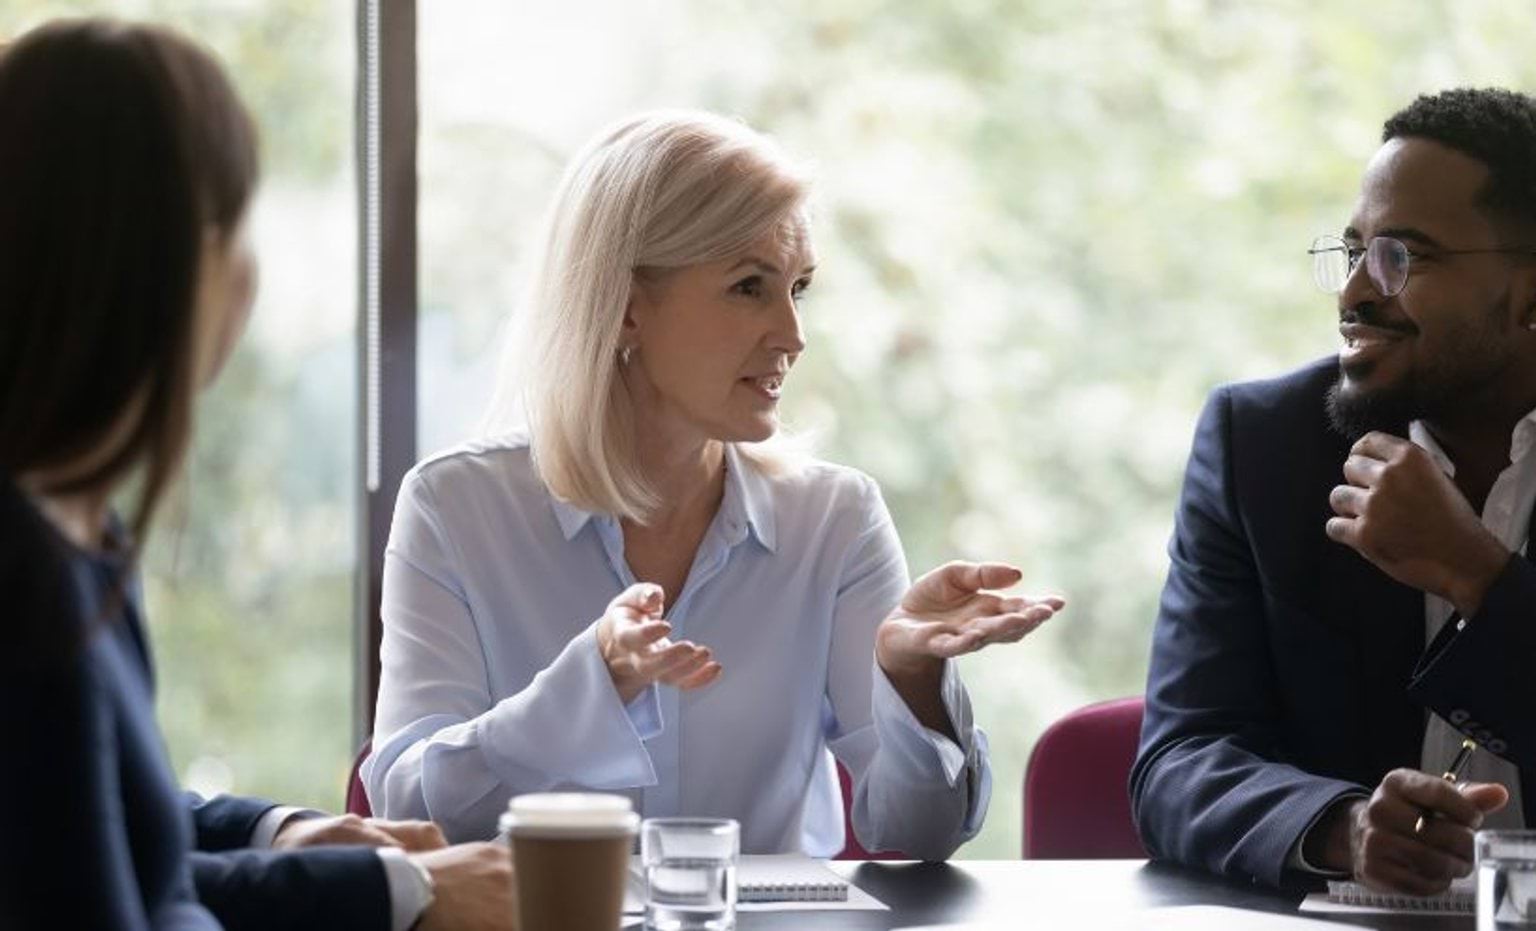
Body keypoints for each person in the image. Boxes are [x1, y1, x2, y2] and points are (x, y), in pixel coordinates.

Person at [364, 110, 1065, 858]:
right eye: (749, 286)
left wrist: (913, 677)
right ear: (627, 306)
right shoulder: (454, 509)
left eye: (799, 288)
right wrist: (592, 682)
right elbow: (410, 808)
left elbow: (918, 835)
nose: (792, 334)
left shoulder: (835, 518)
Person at [0, 19, 510, 930]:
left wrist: (287, 834)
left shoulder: (76, 531)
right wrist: (408, 898)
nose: (251, 273)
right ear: (159, 262)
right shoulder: (25, 587)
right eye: (231, 227)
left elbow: (125, 843)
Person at [1131, 87, 1536, 894]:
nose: (1354, 292)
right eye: (1352, 251)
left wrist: (1476, 576)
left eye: (1402, 257)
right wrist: (1343, 828)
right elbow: (1181, 759)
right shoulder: (1263, 444)